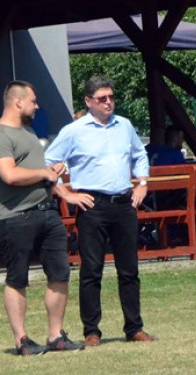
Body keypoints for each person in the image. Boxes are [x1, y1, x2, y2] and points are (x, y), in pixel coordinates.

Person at [44, 75, 155, 347]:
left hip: (124, 203)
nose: (108, 102)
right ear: (88, 101)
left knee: (129, 269)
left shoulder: (124, 126)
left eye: (111, 97)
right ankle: (91, 331)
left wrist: (142, 184)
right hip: (92, 206)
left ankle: (134, 327)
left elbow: (140, 154)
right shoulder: (74, 130)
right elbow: (49, 161)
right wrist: (66, 193)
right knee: (91, 271)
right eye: (102, 98)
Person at [0, 80, 83, 356]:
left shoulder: (28, 132)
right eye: (33, 101)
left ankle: (56, 336)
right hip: (16, 218)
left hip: (47, 214)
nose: (37, 106)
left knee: (60, 274)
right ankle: (22, 340)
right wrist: (44, 173)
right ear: (18, 102)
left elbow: (40, 172)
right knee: (17, 279)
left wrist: (60, 187)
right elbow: (10, 175)